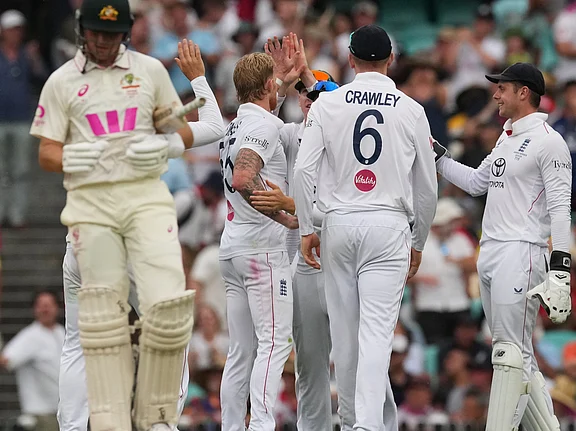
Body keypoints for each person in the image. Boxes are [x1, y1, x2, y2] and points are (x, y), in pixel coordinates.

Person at [31, 0, 211, 428]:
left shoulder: (149, 71)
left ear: (126, 32)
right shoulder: (61, 82)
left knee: (164, 321)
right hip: (91, 228)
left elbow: (181, 129)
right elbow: (47, 152)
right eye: (96, 34)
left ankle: (159, 421)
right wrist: (76, 155)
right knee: (90, 338)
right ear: (81, 31)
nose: (104, 42)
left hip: (140, 226)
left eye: (112, 35)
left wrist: (167, 142)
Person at [292, 24, 438, 430]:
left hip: (339, 221)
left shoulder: (328, 104)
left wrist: (307, 227)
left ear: (351, 60)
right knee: (376, 335)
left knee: (345, 336)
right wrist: (419, 240)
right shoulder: (412, 109)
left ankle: (353, 419)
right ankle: (367, 425)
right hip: (389, 224)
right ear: (391, 60)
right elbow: (427, 187)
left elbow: (304, 171)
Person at [432, 62, 573, 430]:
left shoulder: (548, 141)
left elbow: (561, 209)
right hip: (492, 249)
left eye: (502, 88)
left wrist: (561, 270)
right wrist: (439, 157)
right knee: (517, 355)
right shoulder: (506, 137)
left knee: (508, 353)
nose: (495, 95)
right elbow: (478, 182)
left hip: (522, 249)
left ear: (523, 92)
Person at [217, 52, 298, 431]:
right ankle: (262, 426)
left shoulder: (237, 123)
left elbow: (256, 135)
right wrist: (284, 216)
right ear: (268, 85)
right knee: (274, 342)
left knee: (240, 351)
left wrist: (277, 80)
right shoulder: (262, 126)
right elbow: (243, 175)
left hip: (233, 247)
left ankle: (232, 426)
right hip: (261, 251)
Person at [0, 291, 64, 431]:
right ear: (34, 309)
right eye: (41, 306)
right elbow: (6, 360)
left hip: (66, 412)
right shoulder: (29, 336)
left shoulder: (63, 332)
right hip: (42, 415)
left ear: (57, 308)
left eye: (49, 305)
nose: (45, 309)